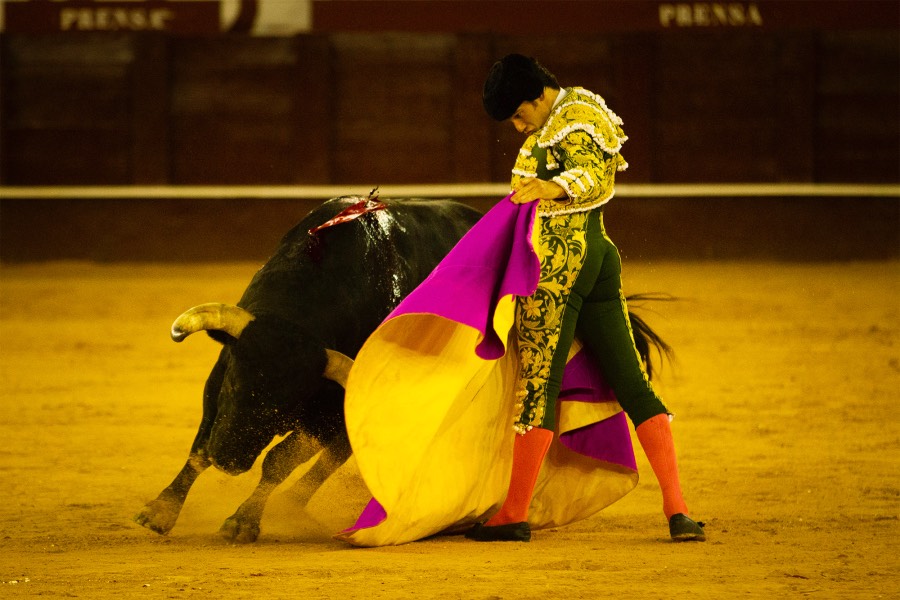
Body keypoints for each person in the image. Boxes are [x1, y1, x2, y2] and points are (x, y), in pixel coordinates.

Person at [465, 54, 706, 543]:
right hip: (598, 257)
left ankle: (514, 513)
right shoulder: (578, 111)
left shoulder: (574, 119)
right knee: (631, 381)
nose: (517, 126)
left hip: (557, 264)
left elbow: (592, 175)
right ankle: (677, 511)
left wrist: (550, 186)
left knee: (538, 385)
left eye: (518, 114)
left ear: (538, 96)